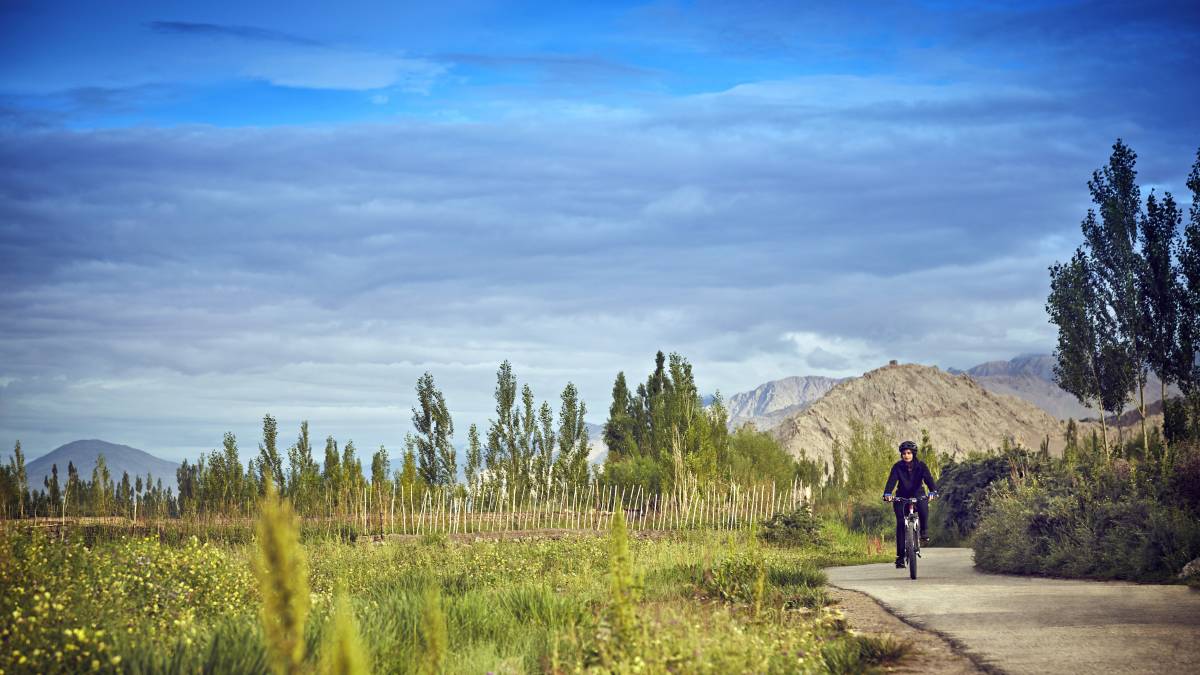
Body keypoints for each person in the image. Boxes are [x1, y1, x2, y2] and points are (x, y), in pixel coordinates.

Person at [882, 440, 938, 568]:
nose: (906, 455)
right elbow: (891, 481)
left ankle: (924, 531)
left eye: (909, 453)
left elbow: (929, 480)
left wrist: (933, 491)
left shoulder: (921, 466)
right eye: (904, 453)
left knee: (924, 507)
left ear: (913, 454)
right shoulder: (897, 467)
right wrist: (887, 494)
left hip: (918, 494)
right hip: (902, 496)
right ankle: (900, 557)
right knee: (901, 523)